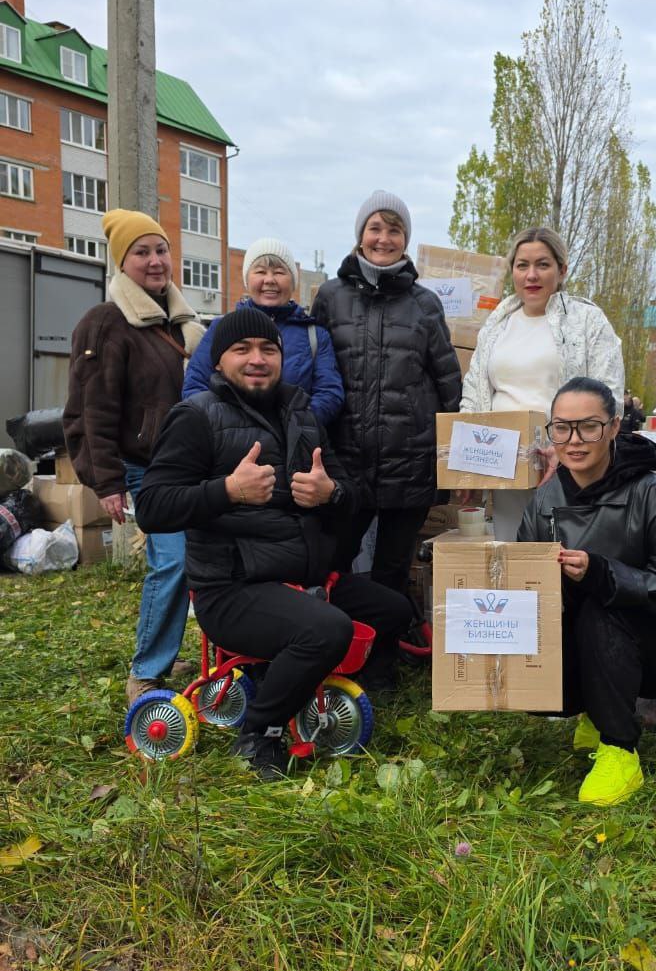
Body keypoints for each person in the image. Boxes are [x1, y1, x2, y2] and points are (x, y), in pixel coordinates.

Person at [134, 307, 411, 781]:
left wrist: (332, 493)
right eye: (242, 350)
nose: (257, 359)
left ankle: (306, 682)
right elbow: (154, 506)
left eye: (268, 349)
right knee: (326, 630)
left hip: (304, 577)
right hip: (233, 586)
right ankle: (260, 730)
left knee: (394, 610)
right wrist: (228, 491)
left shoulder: (300, 411)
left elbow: (347, 487)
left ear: (282, 358)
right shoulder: (196, 417)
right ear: (219, 361)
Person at [518, 376, 656, 808]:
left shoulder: (651, 494)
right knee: (550, 638)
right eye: (561, 428)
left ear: (613, 428)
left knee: (601, 607)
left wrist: (600, 573)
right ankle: (595, 709)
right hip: (592, 639)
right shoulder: (544, 500)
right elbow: (524, 586)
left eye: (588, 427)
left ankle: (619, 749)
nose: (573, 441)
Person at [64, 209, 205, 705]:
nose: (154, 261)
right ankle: (146, 671)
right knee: (173, 561)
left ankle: (167, 652)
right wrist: (106, 482)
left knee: (194, 561)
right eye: (141, 252)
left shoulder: (183, 322)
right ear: (122, 262)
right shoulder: (107, 322)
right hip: (142, 467)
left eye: (161, 249)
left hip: (186, 467)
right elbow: (91, 409)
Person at [309, 190, 461, 594]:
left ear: (405, 240)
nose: (384, 238)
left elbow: (448, 383)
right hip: (345, 460)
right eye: (375, 228)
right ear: (360, 235)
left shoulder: (425, 304)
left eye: (394, 230)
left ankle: (384, 653)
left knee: (393, 569)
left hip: (409, 461)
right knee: (333, 561)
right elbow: (315, 370)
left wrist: (452, 461)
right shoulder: (330, 296)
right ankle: (338, 648)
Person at [460, 226, 624, 540]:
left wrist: (565, 450)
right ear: (512, 272)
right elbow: (474, 393)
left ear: (561, 270)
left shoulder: (587, 321)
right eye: (522, 265)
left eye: (543, 265)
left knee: (567, 561)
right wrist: (468, 463)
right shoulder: (496, 325)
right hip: (507, 467)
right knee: (515, 553)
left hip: (570, 466)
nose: (531, 275)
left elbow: (609, 394)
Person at [183, 237, 343, 425]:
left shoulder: (315, 335)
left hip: (294, 445)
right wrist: (231, 427)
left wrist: (295, 427)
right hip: (230, 445)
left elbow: (329, 393)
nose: (269, 280)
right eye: (260, 271)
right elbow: (195, 385)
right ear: (246, 280)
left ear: (293, 282)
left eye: (279, 272)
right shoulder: (221, 328)